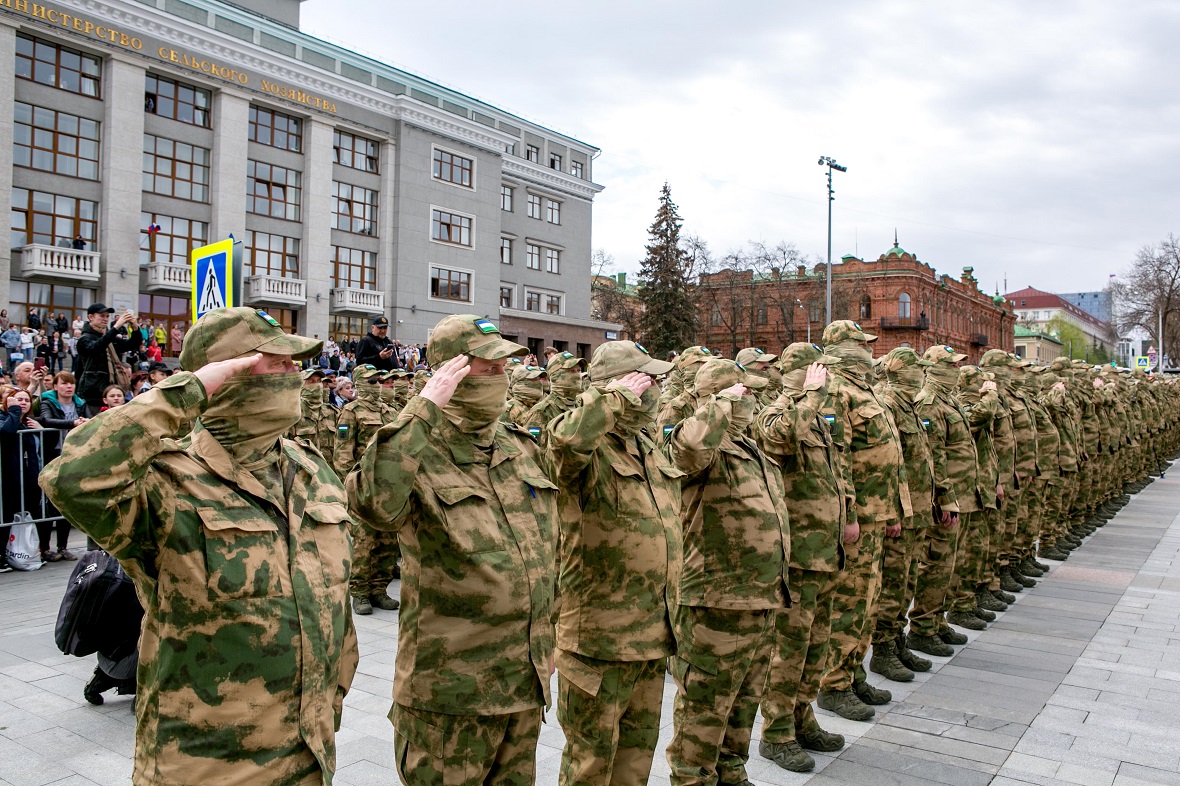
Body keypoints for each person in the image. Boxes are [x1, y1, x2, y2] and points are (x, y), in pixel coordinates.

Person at [40, 306, 358, 786]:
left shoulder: (309, 470)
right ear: (229, 374)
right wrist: (191, 389)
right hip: (207, 762)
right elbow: (72, 477)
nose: (296, 374)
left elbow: (334, 596)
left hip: (309, 749)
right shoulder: (167, 477)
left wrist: (330, 697)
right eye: (278, 363)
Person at [347, 314, 558, 786]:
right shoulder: (418, 446)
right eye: (489, 368)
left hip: (523, 681)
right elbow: (373, 503)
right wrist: (424, 408)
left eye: (505, 367)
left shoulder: (518, 446)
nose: (501, 377)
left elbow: (545, 549)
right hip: (452, 691)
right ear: (454, 371)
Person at [546, 341, 725, 786]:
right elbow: (564, 445)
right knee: (590, 764)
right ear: (622, 386)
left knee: (634, 760)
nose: (657, 388)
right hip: (599, 640)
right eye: (648, 380)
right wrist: (609, 400)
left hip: (652, 632)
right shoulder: (584, 445)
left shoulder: (644, 443)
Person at [664, 358, 789, 786]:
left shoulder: (748, 445)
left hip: (759, 595)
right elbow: (687, 450)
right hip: (715, 599)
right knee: (705, 703)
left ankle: (731, 772)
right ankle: (692, 779)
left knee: (743, 699)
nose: (751, 399)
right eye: (743, 393)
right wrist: (717, 405)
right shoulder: (698, 442)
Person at [756, 344, 849, 773]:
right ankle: (775, 734)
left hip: (825, 554)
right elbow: (779, 437)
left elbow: (834, 474)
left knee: (816, 646)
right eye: (817, 371)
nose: (825, 378)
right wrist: (808, 396)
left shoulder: (818, 420)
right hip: (796, 558)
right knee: (788, 650)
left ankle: (802, 718)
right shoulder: (777, 412)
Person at [35, 370, 87, 561]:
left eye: (71, 383)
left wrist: (85, 420)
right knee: (48, 505)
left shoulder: (80, 404)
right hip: (52, 454)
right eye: (64, 383)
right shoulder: (47, 402)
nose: (69, 387)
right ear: (55, 386)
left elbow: (90, 418)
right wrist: (72, 422)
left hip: (73, 456)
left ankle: (63, 546)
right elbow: (47, 420)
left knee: (66, 503)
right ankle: (45, 548)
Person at [1, 387, 46, 572]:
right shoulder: (6, 418)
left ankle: (35, 550)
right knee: (7, 516)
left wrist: (42, 430)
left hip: (30, 478)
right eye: (18, 400)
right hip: (9, 478)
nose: (23, 403)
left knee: (33, 514)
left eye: (26, 400)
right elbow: (6, 433)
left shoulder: (30, 423)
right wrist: (13, 412)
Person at [75, 304, 144, 415]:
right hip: (93, 395)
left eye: (107, 316)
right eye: (102, 316)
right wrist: (116, 327)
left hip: (110, 391)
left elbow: (133, 344)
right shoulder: (85, 339)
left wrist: (135, 327)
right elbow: (96, 347)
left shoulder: (109, 338)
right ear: (90, 317)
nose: (105, 319)